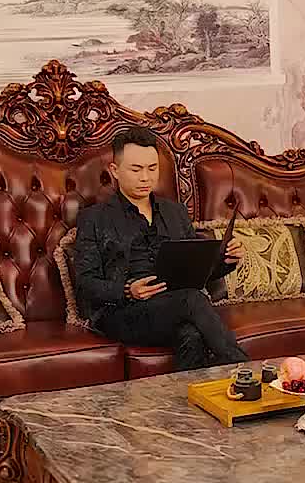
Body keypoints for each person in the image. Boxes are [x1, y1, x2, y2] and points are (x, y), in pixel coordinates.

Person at [73, 125, 247, 371]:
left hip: (172, 306)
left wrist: (226, 260)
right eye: (136, 169)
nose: (145, 177)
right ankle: (244, 370)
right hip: (121, 313)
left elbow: (199, 270)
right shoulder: (94, 218)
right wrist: (128, 290)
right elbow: (85, 283)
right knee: (191, 299)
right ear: (115, 170)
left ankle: (191, 395)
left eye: (152, 168)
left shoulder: (174, 212)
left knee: (191, 335)